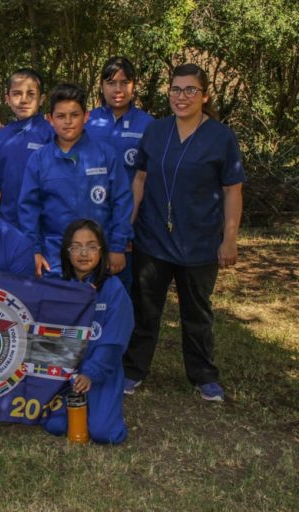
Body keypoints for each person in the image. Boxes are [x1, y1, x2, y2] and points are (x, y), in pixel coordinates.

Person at [123, 63, 245, 402]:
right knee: (145, 308)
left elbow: (233, 190)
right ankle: (133, 371)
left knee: (197, 313)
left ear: (204, 95)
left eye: (191, 90)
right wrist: (127, 226)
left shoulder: (221, 137)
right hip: (153, 239)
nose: (182, 96)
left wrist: (229, 238)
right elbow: (140, 180)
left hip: (200, 242)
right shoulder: (156, 131)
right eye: (176, 89)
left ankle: (203, 375)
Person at [18, 83, 132, 276]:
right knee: (58, 305)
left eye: (75, 115)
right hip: (53, 256)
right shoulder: (39, 159)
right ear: (50, 120)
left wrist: (117, 246)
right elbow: (29, 209)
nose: (68, 122)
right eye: (61, 116)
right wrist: (34, 250)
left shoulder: (105, 155)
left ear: (86, 117)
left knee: (103, 303)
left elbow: (121, 202)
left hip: (99, 255)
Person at [42, 219, 134, 444]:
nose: (84, 253)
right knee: (55, 425)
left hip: (101, 373)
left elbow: (114, 343)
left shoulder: (113, 289)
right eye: (76, 247)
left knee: (105, 434)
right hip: (66, 375)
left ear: (101, 251)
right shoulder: (59, 287)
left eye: (92, 246)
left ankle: (99, 409)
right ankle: (78, 406)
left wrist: (91, 373)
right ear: (67, 252)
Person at [86, 57, 154, 290]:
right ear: (102, 86)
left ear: (134, 86)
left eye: (124, 82)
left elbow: (145, 180)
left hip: (130, 227)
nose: (118, 89)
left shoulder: (148, 125)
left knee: (124, 295)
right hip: (90, 223)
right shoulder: (87, 121)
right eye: (111, 82)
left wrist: (126, 231)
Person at [0, 68, 55, 229]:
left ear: (41, 99)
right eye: (17, 93)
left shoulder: (50, 133)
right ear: (7, 98)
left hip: (42, 223)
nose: (24, 100)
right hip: (7, 223)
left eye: (31, 94)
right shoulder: (0, 136)